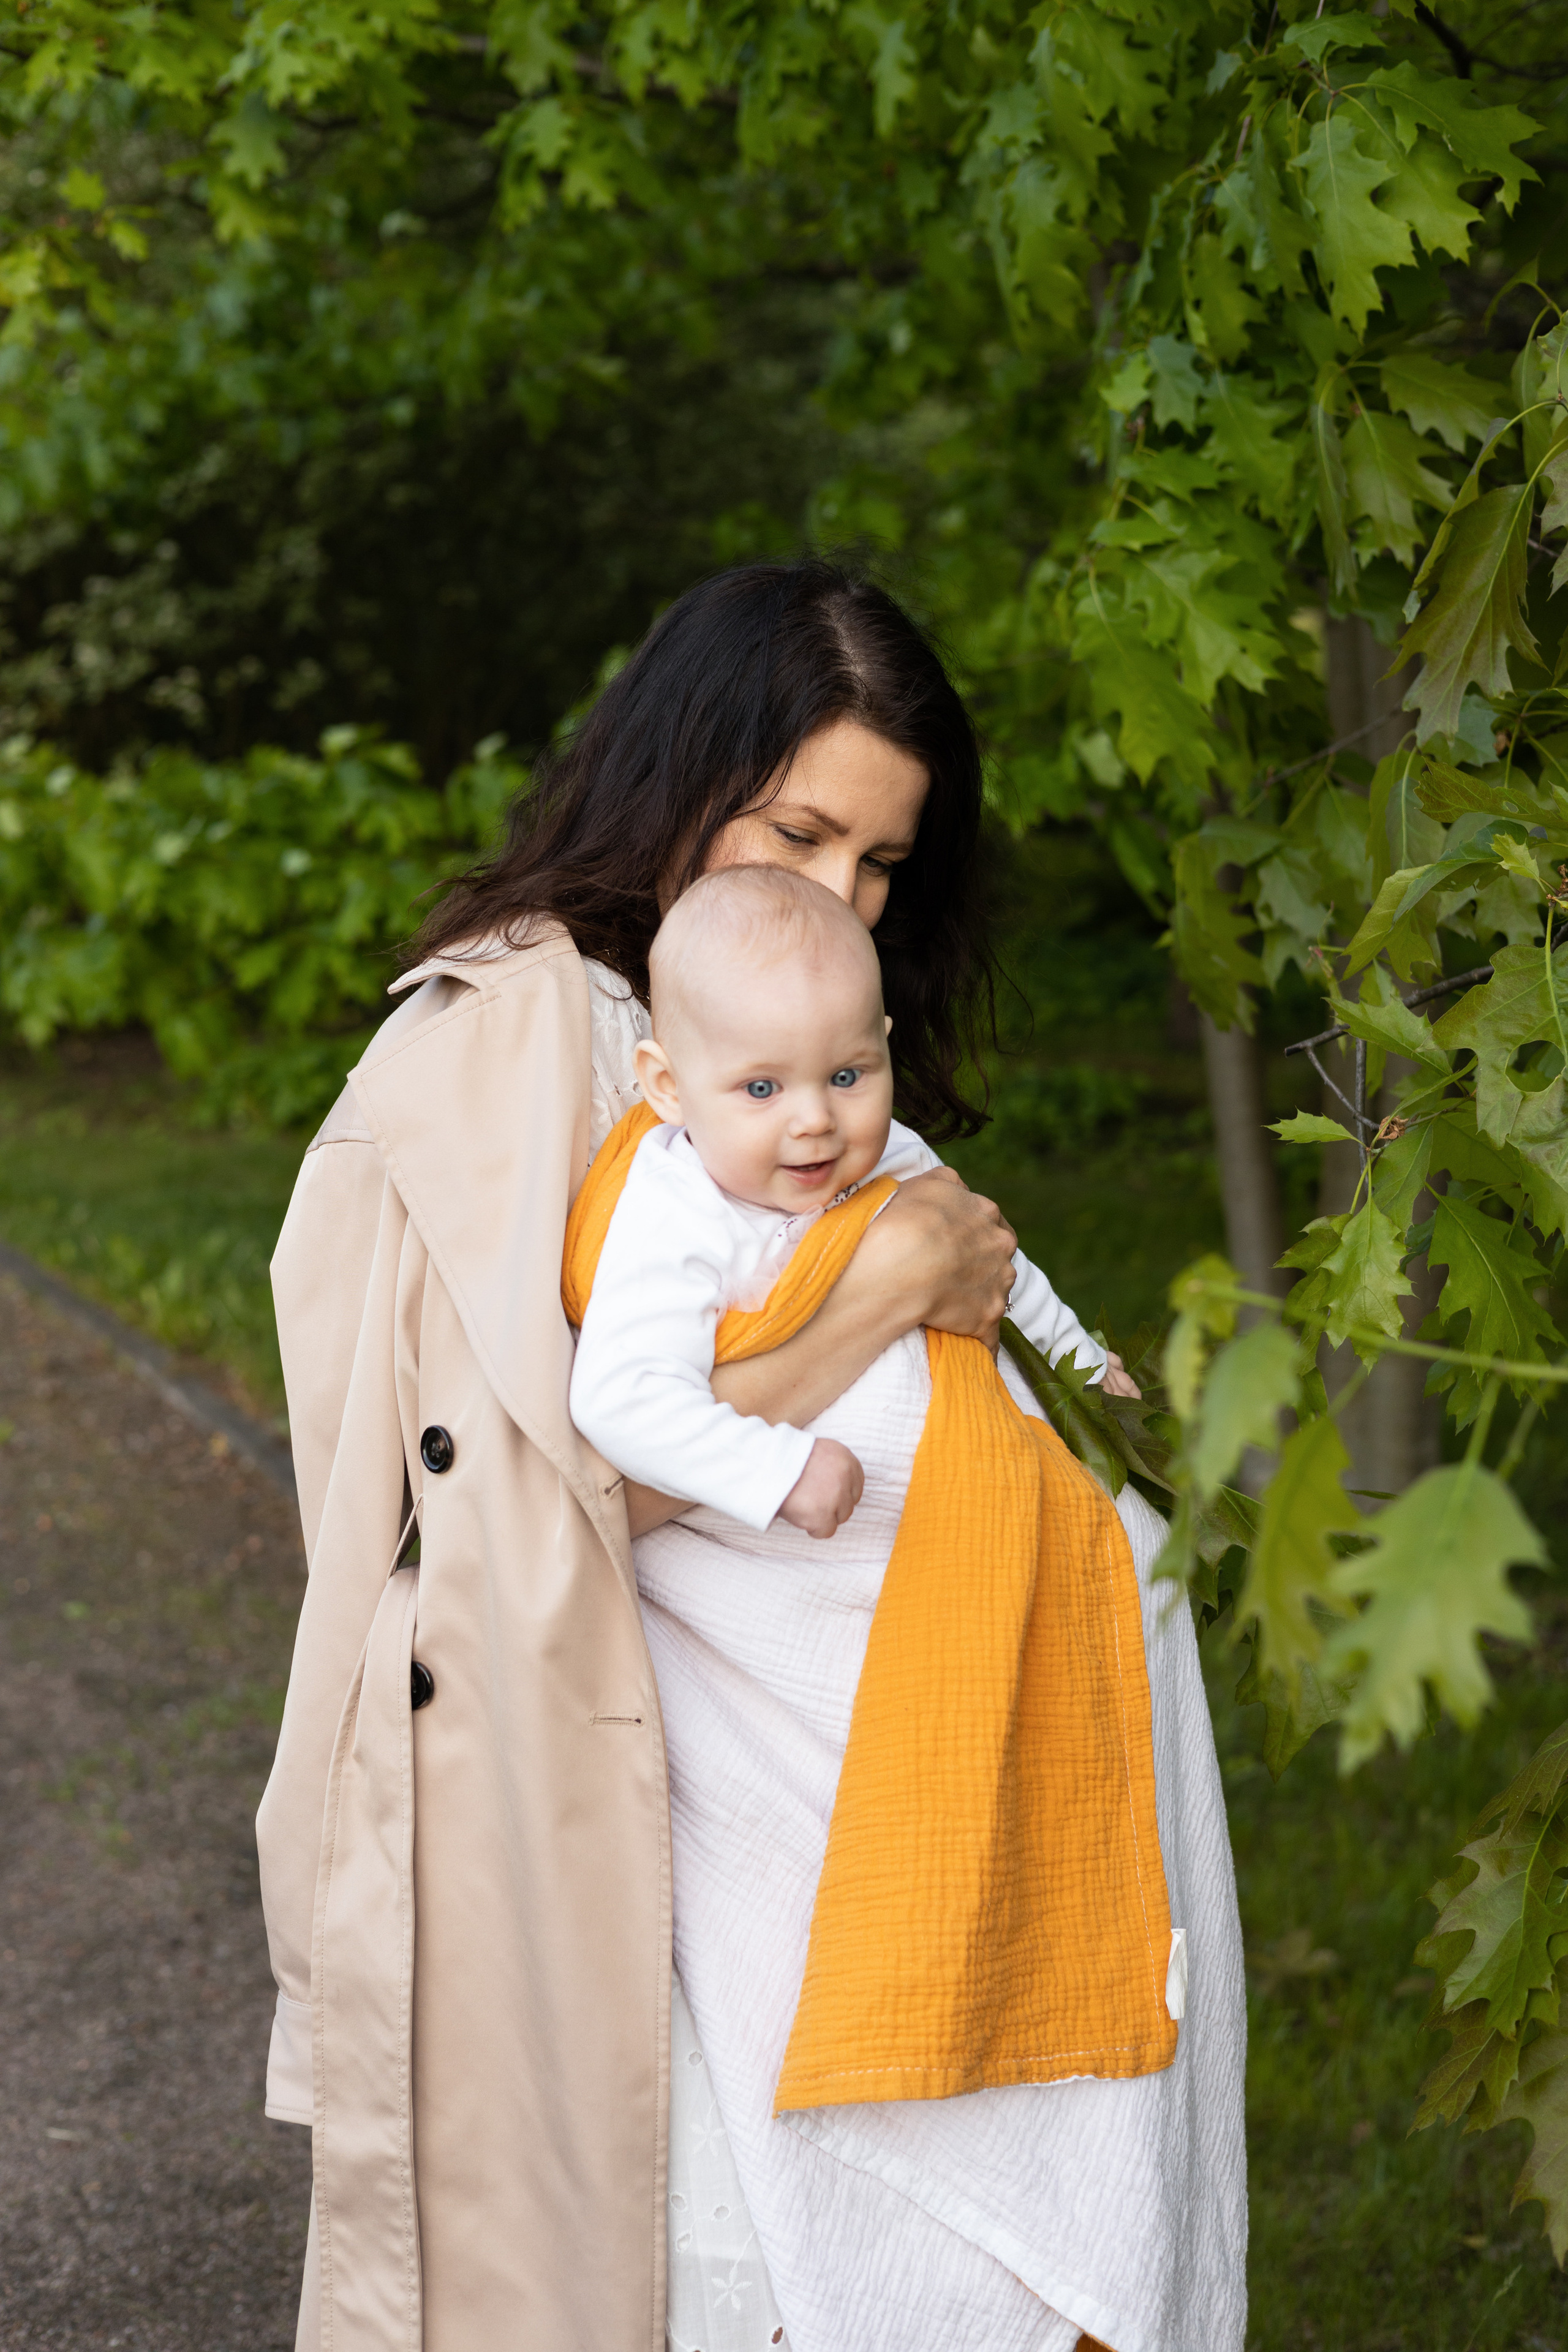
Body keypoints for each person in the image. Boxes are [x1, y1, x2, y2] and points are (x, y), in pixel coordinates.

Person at [257, 559, 1246, 2352]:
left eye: (878, 866)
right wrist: (880, 1302)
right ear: (678, 774)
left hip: (924, 1809)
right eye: (796, 835)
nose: (839, 897)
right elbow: (509, 1505)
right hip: (694, 1851)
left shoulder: (784, 1065)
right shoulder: (530, 1042)